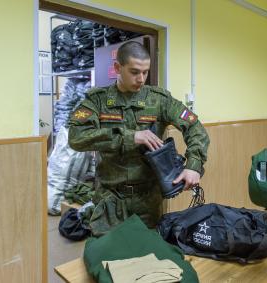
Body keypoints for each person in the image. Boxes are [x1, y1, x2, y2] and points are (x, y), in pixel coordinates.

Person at [68, 41, 210, 236]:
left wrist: (193, 165)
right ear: (118, 68)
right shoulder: (97, 101)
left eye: (145, 72)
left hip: (148, 200)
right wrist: (129, 137)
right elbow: (76, 137)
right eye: (134, 72)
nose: (141, 78)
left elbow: (195, 127)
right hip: (110, 199)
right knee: (108, 257)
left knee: (148, 256)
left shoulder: (159, 100)